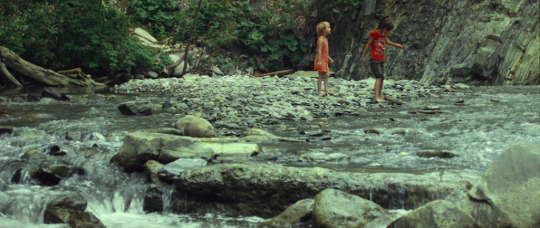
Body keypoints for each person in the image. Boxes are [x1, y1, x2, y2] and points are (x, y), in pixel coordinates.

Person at [360, 16, 403, 103]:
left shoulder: (384, 34)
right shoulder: (373, 33)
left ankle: (379, 96)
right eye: (387, 29)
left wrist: (396, 45)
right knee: (379, 77)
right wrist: (362, 57)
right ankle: (376, 97)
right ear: (382, 25)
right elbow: (368, 45)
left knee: (382, 78)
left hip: (381, 58)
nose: (387, 32)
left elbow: (386, 41)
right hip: (374, 58)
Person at [314, 21, 334, 95]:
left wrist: (328, 58)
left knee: (326, 74)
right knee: (321, 75)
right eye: (328, 27)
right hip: (321, 60)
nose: (330, 29)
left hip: (325, 60)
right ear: (323, 30)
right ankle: (319, 91)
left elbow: (325, 52)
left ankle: (326, 89)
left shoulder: (325, 40)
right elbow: (319, 51)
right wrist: (319, 61)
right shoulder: (321, 40)